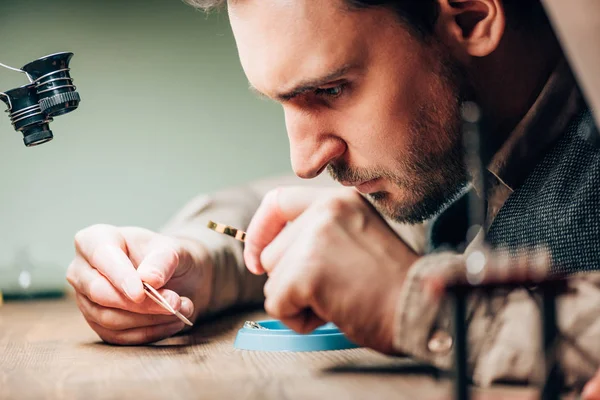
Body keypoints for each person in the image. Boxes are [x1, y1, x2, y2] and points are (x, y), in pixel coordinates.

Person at [66, 0, 600, 394]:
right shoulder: (468, 148)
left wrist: (408, 303)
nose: (305, 162)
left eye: (329, 90)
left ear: (469, 16)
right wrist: (195, 261)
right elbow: (297, 210)